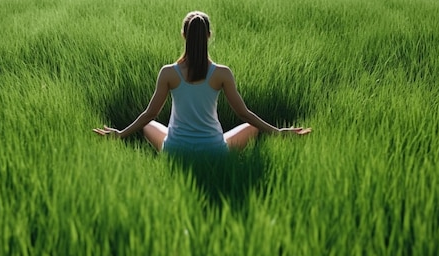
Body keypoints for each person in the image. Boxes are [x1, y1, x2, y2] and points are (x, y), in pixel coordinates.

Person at [93, 11, 311, 154]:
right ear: (209, 35)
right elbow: (244, 114)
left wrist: (120, 134)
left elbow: (149, 114)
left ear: (183, 35)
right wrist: (279, 132)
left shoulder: (168, 73)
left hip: (176, 151)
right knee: (250, 126)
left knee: (149, 125)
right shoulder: (222, 74)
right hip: (214, 152)